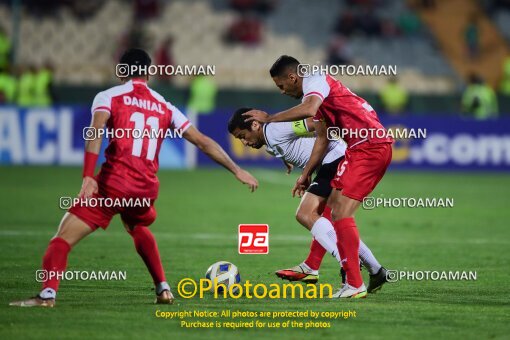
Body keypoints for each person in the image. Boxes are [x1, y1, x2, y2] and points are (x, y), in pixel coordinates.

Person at [9, 49, 258, 308]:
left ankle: (47, 295)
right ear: (149, 73)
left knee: (61, 239)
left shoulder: (108, 97)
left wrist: (87, 176)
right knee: (137, 226)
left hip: (112, 185)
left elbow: (94, 133)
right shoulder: (165, 106)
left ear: (121, 73)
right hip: (145, 190)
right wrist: (236, 169)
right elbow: (204, 142)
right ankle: (163, 289)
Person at [244, 55, 393, 298]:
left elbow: (309, 108)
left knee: (337, 213)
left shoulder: (314, 83)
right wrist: (305, 174)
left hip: (368, 146)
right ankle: (362, 270)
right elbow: (322, 137)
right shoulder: (320, 95)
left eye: (281, 86)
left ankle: (353, 282)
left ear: (293, 77)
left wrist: (270, 118)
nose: (281, 92)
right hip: (364, 146)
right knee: (331, 210)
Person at [228, 108, 388, 293]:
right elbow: (291, 146)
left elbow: (316, 123)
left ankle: (347, 263)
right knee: (331, 223)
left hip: (336, 159)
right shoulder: (268, 140)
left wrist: (305, 174)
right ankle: (376, 270)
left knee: (305, 214)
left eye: (243, 135)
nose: (244, 142)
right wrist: (287, 160)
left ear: (255, 125)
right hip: (331, 163)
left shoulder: (275, 130)